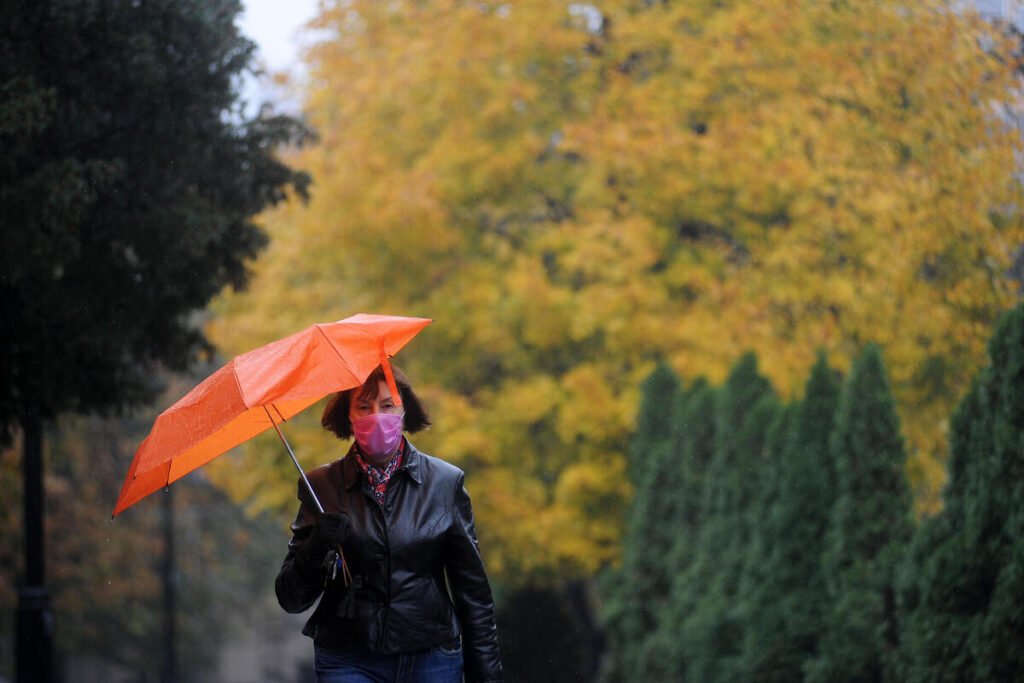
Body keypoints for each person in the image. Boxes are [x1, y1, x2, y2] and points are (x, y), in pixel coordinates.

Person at [275, 363, 504, 683]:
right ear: (349, 416)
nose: (376, 416)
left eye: (387, 405)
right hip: (348, 657)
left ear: (404, 410)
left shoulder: (444, 483)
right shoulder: (321, 487)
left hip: (430, 656)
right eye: (364, 407)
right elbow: (291, 597)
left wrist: (487, 674)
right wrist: (317, 546)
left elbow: (472, 591)